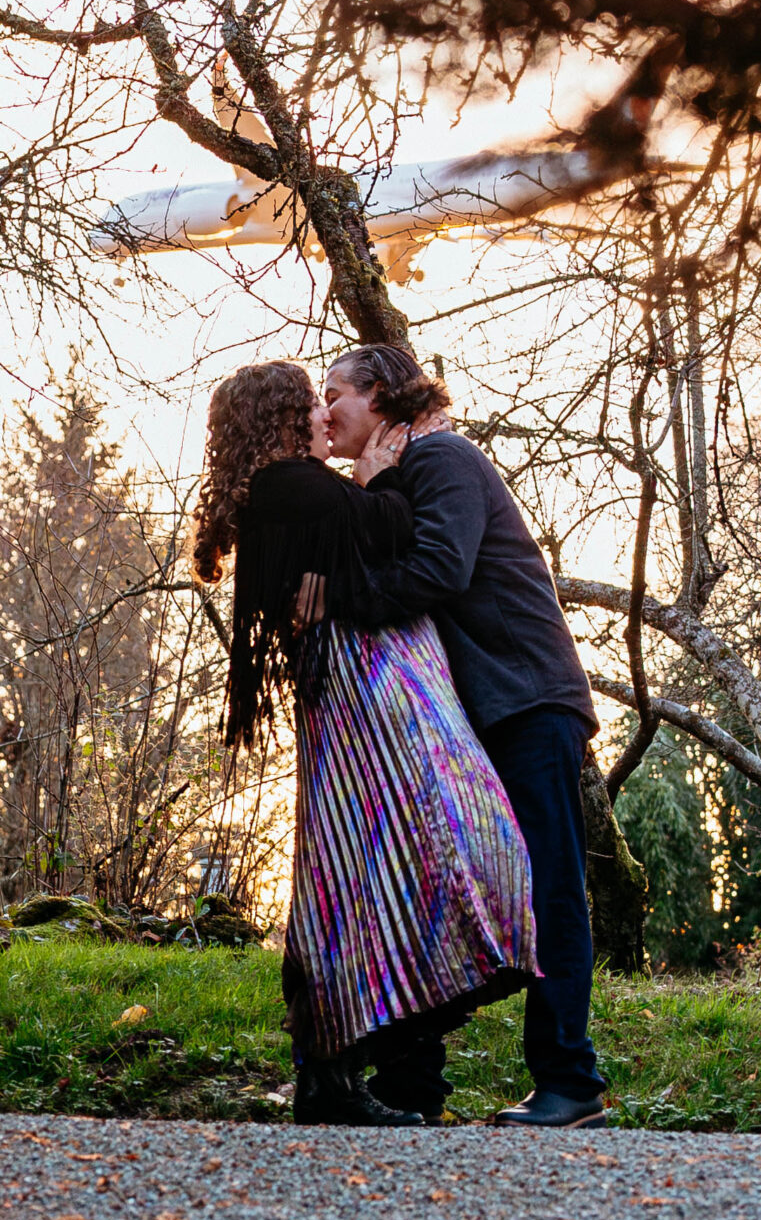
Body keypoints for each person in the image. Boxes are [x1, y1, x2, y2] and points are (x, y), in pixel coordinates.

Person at [192, 359, 538, 1127]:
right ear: (281, 418)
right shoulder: (293, 486)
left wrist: (369, 491)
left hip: (364, 682)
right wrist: (379, 483)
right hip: (366, 688)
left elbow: (367, 545)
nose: (323, 413)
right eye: (309, 402)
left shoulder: (293, 489)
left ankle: (360, 1066)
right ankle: (342, 1072)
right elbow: (393, 529)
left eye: (330, 396)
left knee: (363, 872)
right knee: (394, 860)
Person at [319, 343, 606, 1128]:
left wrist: (358, 541)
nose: (325, 408)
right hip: (469, 718)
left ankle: (570, 1084)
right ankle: (414, 1084)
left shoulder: (443, 457)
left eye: (335, 391)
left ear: (379, 396)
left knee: (548, 892)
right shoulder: (397, 475)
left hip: (525, 702)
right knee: (442, 886)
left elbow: (439, 570)